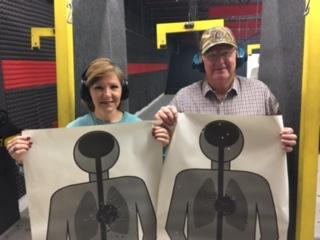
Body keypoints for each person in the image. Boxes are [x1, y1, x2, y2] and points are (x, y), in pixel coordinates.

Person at [155, 26, 297, 152]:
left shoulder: (261, 93)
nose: (220, 61)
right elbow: (163, 140)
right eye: (212, 55)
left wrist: (285, 137)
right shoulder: (183, 98)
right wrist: (161, 132)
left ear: (237, 55)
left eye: (226, 53)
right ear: (201, 60)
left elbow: (280, 129)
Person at [7, 57, 170, 163]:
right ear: (88, 92)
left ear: (123, 91)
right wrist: (24, 159)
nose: (107, 94)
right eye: (98, 87)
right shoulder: (74, 129)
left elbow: (154, 167)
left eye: (114, 87)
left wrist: (161, 148)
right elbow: (55, 167)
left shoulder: (137, 126)